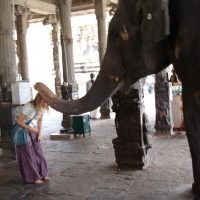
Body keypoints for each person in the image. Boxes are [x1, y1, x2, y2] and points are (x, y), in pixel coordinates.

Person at [16, 93, 50, 184]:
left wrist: (39, 134)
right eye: (43, 102)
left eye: (46, 102)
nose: (45, 104)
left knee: (39, 152)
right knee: (28, 154)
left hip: (34, 131)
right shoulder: (29, 107)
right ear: (38, 100)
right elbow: (19, 121)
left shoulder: (42, 107)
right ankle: (33, 177)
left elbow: (40, 120)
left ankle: (42, 174)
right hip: (23, 131)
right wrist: (29, 128)